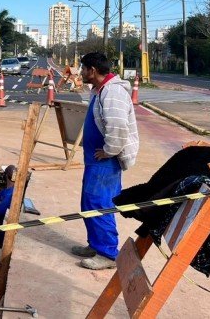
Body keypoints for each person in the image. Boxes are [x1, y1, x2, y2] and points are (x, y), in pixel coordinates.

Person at [72, 52, 139, 270]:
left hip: (105, 163)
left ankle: (108, 254)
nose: (81, 73)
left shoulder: (113, 92)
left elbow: (118, 126)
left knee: (100, 204)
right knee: (88, 203)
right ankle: (95, 244)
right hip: (95, 161)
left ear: (92, 70)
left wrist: (109, 151)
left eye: (83, 69)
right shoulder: (100, 90)